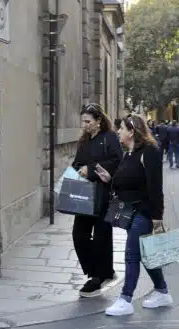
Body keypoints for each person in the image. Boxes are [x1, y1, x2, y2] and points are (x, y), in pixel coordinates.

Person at [93, 114, 173, 316]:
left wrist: (157, 218)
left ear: (132, 131)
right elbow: (127, 183)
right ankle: (162, 292)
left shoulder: (150, 152)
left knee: (131, 254)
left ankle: (125, 299)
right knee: (147, 256)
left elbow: (156, 188)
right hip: (131, 211)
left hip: (145, 212)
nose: (118, 132)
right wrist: (109, 179)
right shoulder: (128, 153)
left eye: (121, 128)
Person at [71, 103, 123, 297]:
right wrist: (78, 169)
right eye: (83, 121)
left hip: (104, 195)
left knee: (102, 237)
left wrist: (91, 170)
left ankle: (97, 277)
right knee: (79, 235)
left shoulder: (109, 138)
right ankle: (100, 271)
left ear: (99, 121)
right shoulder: (83, 141)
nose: (85, 125)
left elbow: (117, 161)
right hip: (84, 196)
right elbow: (76, 162)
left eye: (88, 121)